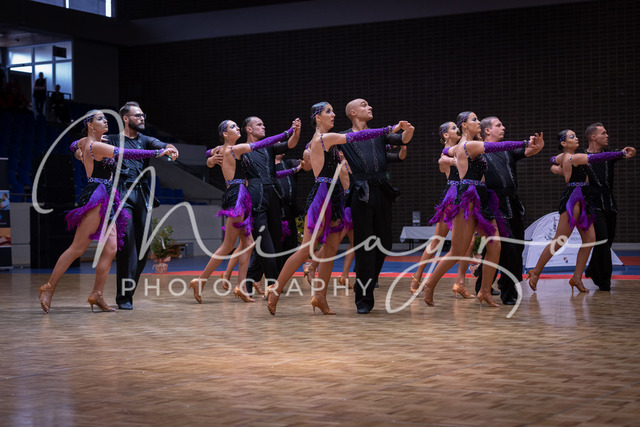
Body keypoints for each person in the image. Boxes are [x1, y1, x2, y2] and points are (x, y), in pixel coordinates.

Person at [266, 101, 412, 315]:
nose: (333, 114)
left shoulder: (327, 139)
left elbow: (314, 160)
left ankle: (320, 297)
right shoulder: (324, 138)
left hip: (335, 195)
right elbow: (357, 136)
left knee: (331, 249)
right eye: (328, 111)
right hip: (322, 194)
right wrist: (391, 128)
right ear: (318, 117)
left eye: (333, 111)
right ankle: (276, 289)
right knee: (307, 248)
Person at [39, 110, 174, 313]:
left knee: (111, 249)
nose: (106, 121)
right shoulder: (97, 145)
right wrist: (157, 153)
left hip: (109, 195)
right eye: (100, 119)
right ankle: (48, 287)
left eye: (105, 118)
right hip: (98, 195)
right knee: (77, 248)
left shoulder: (87, 142)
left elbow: (73, 145)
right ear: (90, 124)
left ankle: (97, 294)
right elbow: (126, 153)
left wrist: (78, 151)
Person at [422, 111, 543, 307]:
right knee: (457, 250)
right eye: (474, 119)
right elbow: (498, 146)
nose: (478, 122)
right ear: (464, 125)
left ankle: (485, 291)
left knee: (495, 245)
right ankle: (430, 284)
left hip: (483, 197)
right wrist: (524, 142)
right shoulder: (469, 145)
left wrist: (447, 155)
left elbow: (447, 152)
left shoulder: (464, 146)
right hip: (468, 198)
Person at [188, 119, 300, 303]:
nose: (237, 128)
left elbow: (210, 154)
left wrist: (210, 159)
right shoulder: (235, 149)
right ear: (225, 134)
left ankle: (241, 286)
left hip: (241, 195)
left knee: (248, 243)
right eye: (233, 127)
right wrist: (288, 132)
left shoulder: (223, 149)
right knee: (228, 246)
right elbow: (262, 143)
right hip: (237, 197)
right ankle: (200, 281)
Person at [527, 130, 635, 292]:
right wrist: (622, 153)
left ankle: (576, 278)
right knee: (560, 239)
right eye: (572, 137)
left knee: (590, 239)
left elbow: (552, 160)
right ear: (564, 143)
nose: (576, 138)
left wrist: (558, 169)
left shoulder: (564, 156)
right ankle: (536, 272)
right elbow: (599, 157)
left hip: (584, 197)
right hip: (574, 197)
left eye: (576, 136)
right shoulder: (574, 157)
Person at [338, 98, 414, 314]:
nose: (369, 107)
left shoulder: (379, 134)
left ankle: (367, 280)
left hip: (382, 190)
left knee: (385, 242)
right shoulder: (345, 136)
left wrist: (408, 132)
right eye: (364, 105)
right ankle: (363, 299)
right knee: (364, 247)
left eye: (369, 104)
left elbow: (402, 139)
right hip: (361, 192)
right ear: (353, 113)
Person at [107, 102, 179, 310]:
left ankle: (127, 292)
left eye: (142, 115)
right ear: (125, 118)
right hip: (121, 194)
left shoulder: (146, 140)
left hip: (141, 194)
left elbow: (162, 145)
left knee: (143, 249)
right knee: (128, 246)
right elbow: (87, 147)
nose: (142, 118)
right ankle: (124, 297)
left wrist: (170, 148)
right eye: (137, 115)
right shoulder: (112, 140)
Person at [472, 116, 544, 305]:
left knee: (514, 247)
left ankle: (482, 285)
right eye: (498, 125)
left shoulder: (507, 150)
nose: (503, 127)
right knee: (508, 248)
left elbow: (529, 150)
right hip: (493, 204)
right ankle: (508, 291)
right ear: (487, 130)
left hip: (513, 203)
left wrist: (537, 147)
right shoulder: (478, 150)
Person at [410, 121, 473, 299]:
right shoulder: (447, 152)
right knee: (438, 240)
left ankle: (460, 282)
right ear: (445, 135)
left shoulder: (462, 148)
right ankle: (417, 276)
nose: (457, 129)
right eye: (453, 128)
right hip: (452, 197)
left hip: (465, 196)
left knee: (468, 243)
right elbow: (443, 162)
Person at [582, 123, 635, 291]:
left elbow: (628, 152)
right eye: (603, 133)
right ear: (593, 137)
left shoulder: (610, 155)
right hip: (592, 205)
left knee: (607, 241)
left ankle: (592, 269)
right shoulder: (581, 157)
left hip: (610, 204)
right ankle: (604, 282)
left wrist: (630, 152)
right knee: (603, 241)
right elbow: (559, 162)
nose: (607, 136)